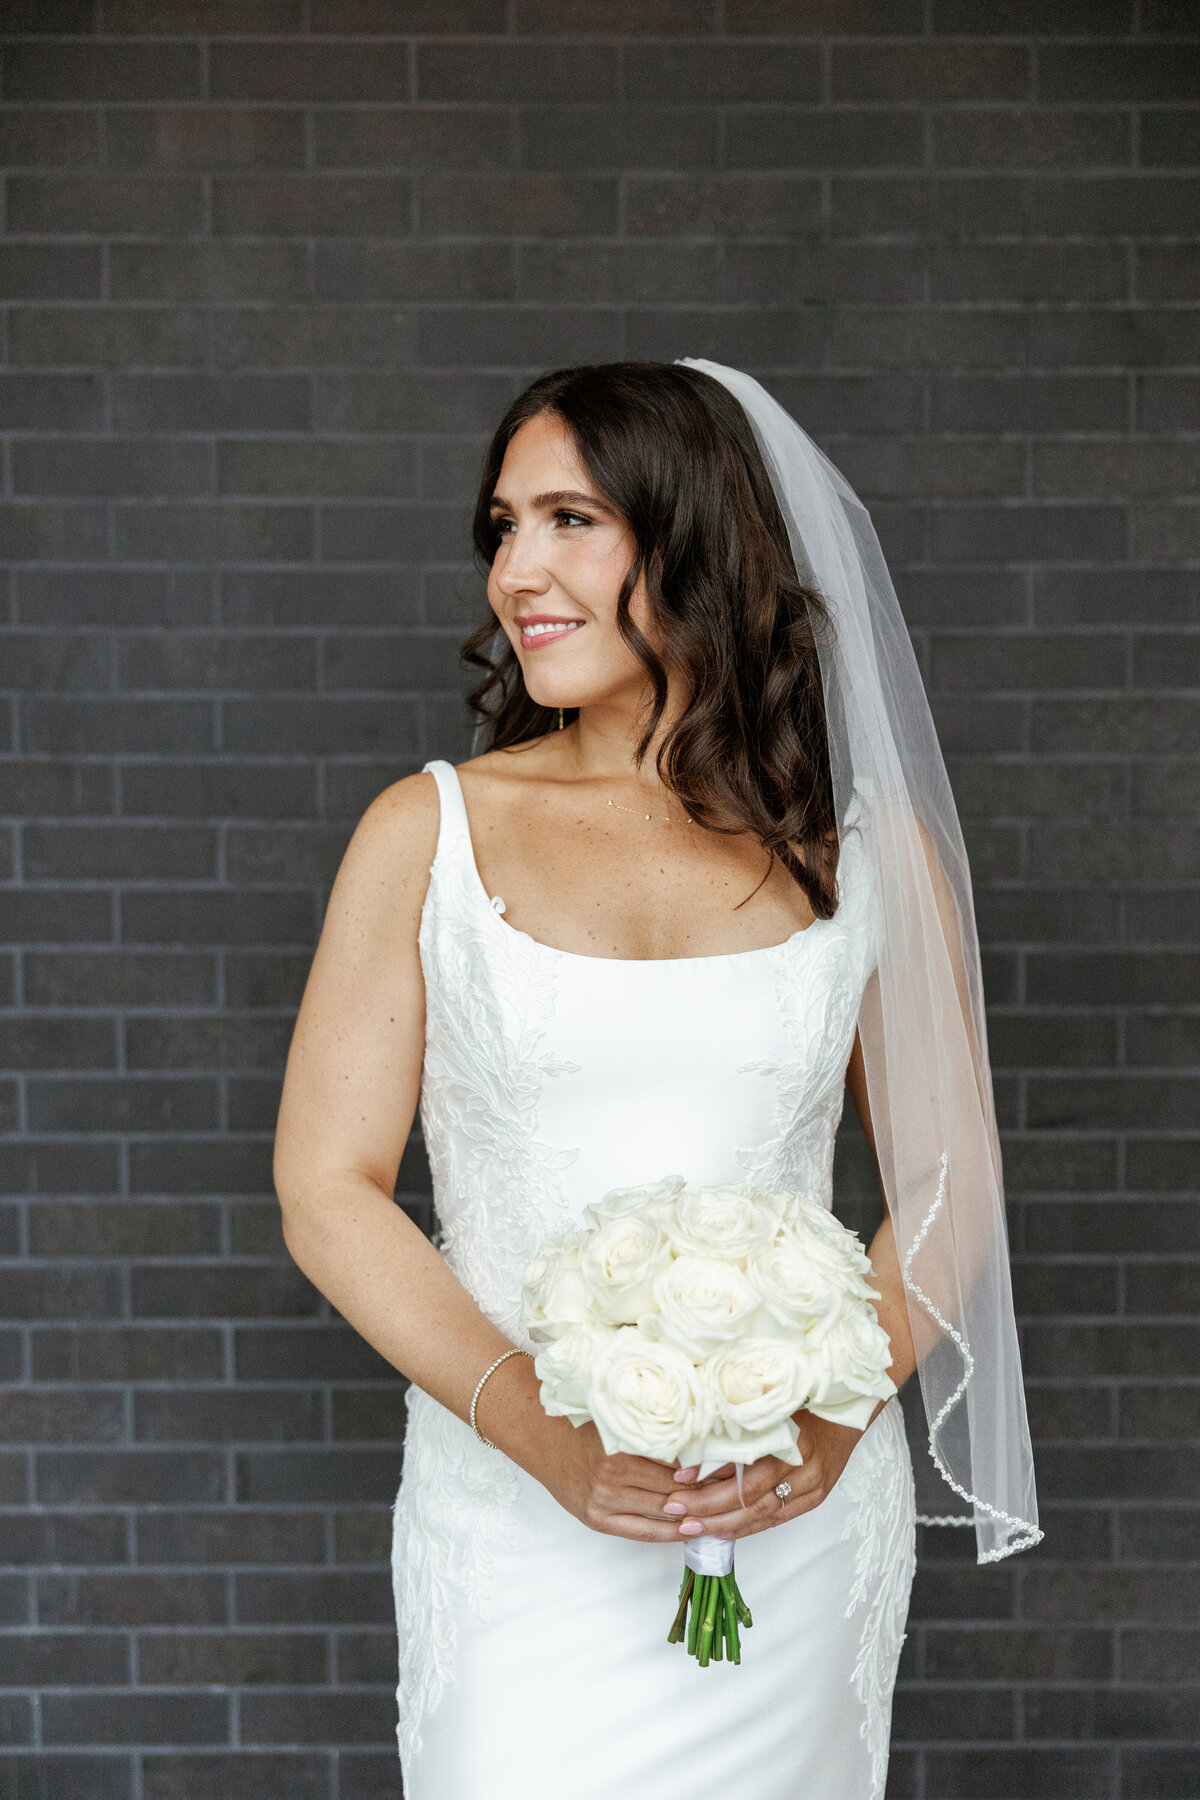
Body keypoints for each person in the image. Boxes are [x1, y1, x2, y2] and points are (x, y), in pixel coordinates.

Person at [273, 360, 1038, 1800]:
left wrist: (829, 1418)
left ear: (689, 538)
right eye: (502, 528)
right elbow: (327, 1189)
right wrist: (539, 1433)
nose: (519, 571)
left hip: (793, 1517)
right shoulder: (423, 834)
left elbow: (949, 1180)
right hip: (514, 1515)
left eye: (570, 519)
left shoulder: (865, 851)